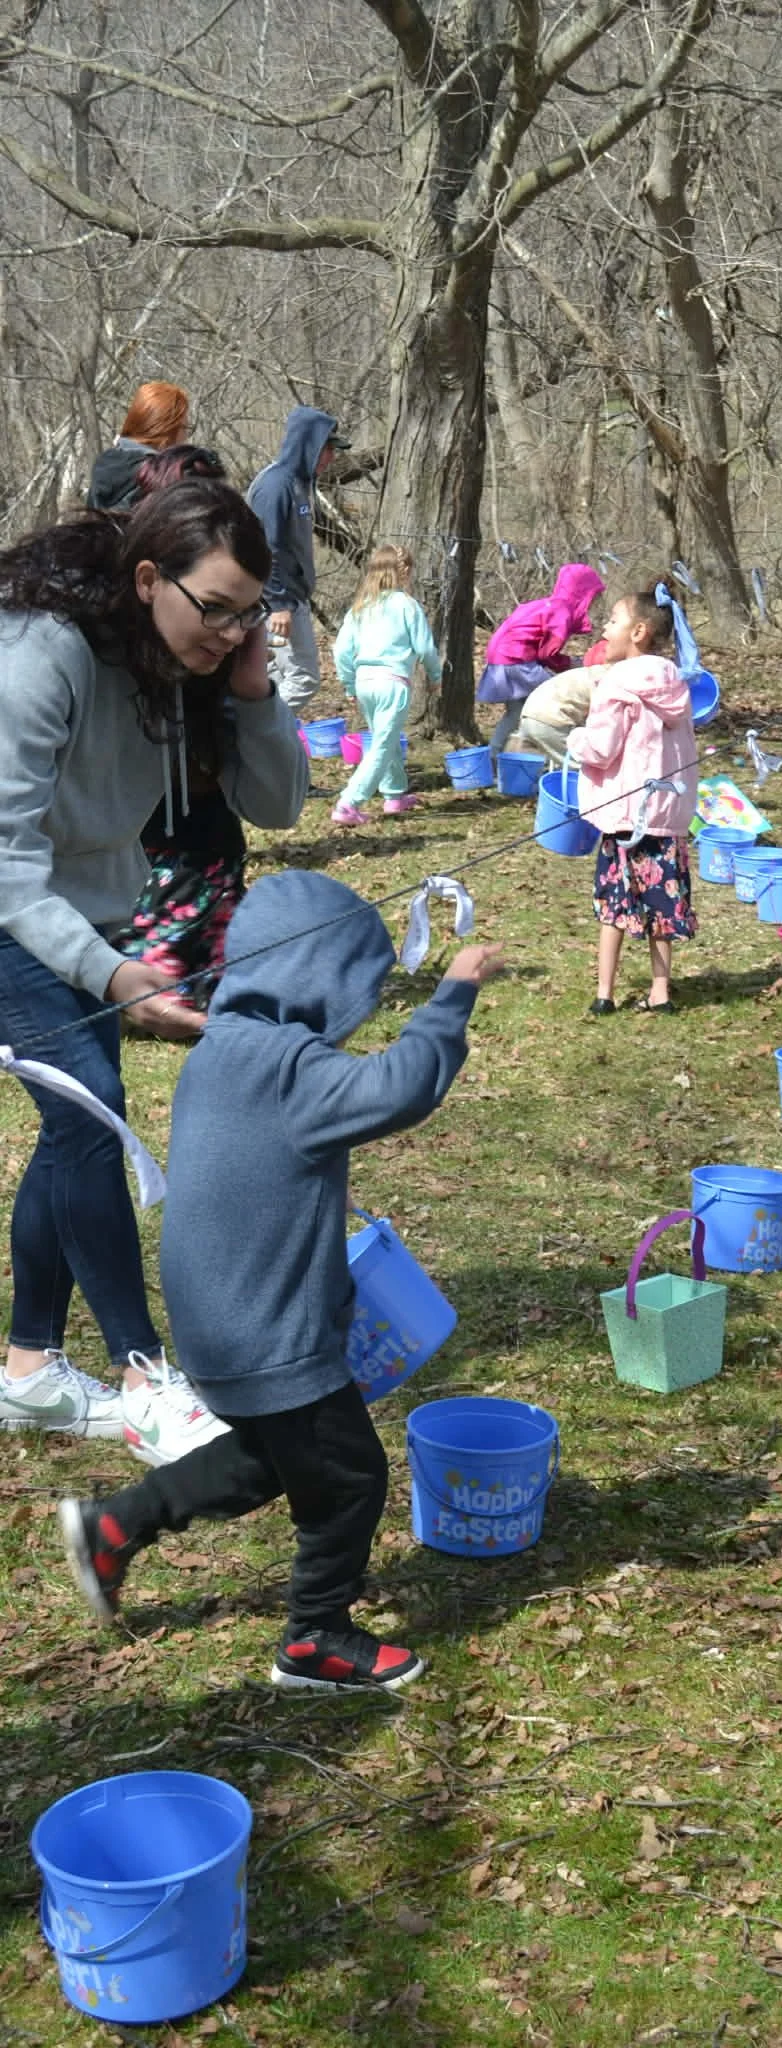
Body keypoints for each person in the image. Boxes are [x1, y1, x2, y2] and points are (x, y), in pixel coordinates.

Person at [58, 870, 504, 1692]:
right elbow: (401, 1086)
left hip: (215, 1320)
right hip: (268, 1330)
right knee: (346, 1479)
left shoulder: (223, 1049)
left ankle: (114, 1527)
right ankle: (315, 1641)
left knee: (270, 1457)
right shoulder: (290, 1066)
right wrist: (452, 993)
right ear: (326, 979)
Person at [0, 479, 309, 1462]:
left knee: (74, 1126)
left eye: (243, 611)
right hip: (11, 902)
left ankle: (29, 1369)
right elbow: (6, 863)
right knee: (92, 1111)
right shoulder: (43, 652)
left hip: (85, 907)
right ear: (147, 578)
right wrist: (119, 976)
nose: (224, 629)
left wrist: (254, 685)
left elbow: (280, 804)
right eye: (210, 606)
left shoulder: (189, 662)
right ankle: (143, 1376)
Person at [111, 446, 252, 1013]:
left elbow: (275, 797)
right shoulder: (115, 616)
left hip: (207, 822)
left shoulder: (231, 612)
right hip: (140, 833)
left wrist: (252, 686)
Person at [571, 583, 699, 1016]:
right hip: (665, 817)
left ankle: (604, 993)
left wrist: (574, 739)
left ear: (639, 631)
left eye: (611, 622)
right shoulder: (675, 683)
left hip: (625, 819)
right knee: (661, 906)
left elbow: (600, 749)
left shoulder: (617, 684)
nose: (603, 630)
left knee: (613, 906)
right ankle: (660, 992)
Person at [245, 406, 350, 714]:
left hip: (292, 600)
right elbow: (267, 547)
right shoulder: (275, 486)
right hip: (278, 604)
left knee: (274, 676)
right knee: (303, 678)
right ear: (309, 445)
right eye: (327, 448)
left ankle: (260, 734)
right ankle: (260, 732)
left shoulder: (301, 484)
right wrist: (278, 602)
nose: (331, 457)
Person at [331, 544, 442, 827]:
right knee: (382, 744)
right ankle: (349, 802)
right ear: (404, 572)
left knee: (386, 739)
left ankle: (394, 795)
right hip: (393, 684)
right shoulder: (407, 605)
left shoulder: (360, 608)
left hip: (365, 683)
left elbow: (341, 650)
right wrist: (435, 676)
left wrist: (349, 685)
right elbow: (425, 648)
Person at [477, 563, 603, 754]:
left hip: (501, 659)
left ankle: (496, 755)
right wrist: (570, 664)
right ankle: (570, 752)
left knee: (516, 712)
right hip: (518, 660)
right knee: (558, 698)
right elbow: (548, 653)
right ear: (583, 593)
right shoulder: (562, 612)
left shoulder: (545, 605)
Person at [86, 382, 192, 512]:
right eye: (184, 428)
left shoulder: (107, 466)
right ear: (166, 430)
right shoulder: (157, 479)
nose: (186, 438)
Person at [516, 661, 605, 767]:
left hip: (528, 716)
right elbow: (600, 718)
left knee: (531, 768)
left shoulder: (584, 673)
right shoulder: (605, 681)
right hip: (550, 721)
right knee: (583, 765)